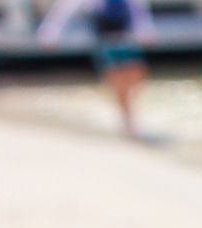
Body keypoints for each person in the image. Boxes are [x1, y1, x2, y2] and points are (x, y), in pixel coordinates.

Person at [38, 0, 156, 140]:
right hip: (105, 43)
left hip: (127, 40)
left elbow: (139, 12)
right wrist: (51, 33)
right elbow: (65, 11)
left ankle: (130, 117)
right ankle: (128, 122)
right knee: (119, 85)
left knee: (135, 78)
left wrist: (146, 30)